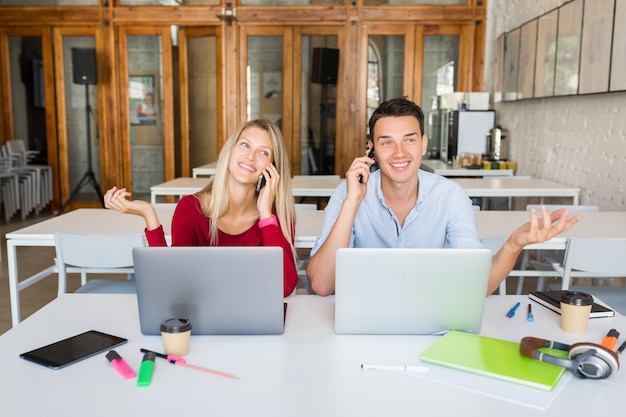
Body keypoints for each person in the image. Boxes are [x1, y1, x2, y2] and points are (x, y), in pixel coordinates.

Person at [306, 96, 581, 296]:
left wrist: (513, 244)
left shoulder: (450, 196)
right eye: (387, 142)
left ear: (424, 144)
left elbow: (477, 286)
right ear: (372, 151)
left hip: (430, 317)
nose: (399, 153)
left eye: (409, 140)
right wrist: (352, 201)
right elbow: (321, 285)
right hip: (362, 316)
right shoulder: (348, 192)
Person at [104, 119, 298, 297]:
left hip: (256, 320)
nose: (251, 156)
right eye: (245, 145)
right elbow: (171, 282)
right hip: (200, 320)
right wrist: (149, 214)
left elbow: (284, 288)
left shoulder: (276, 216)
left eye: (264, 152)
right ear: (229, 151)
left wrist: (265, 216)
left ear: (272, 168)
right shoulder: (191, 209)